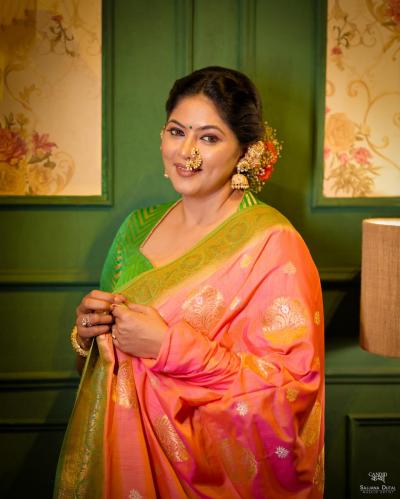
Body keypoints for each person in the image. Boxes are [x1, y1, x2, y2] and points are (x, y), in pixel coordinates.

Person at [54, 67, 324, 498]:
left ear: (246, 152)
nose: (186, 153)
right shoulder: (135, 230)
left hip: (206, 476)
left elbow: (289, 392)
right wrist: (87, 335)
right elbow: (99, 365)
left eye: (209, 138)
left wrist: (167, 347)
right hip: (121, 463)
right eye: (177, 132)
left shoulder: (273, 244)